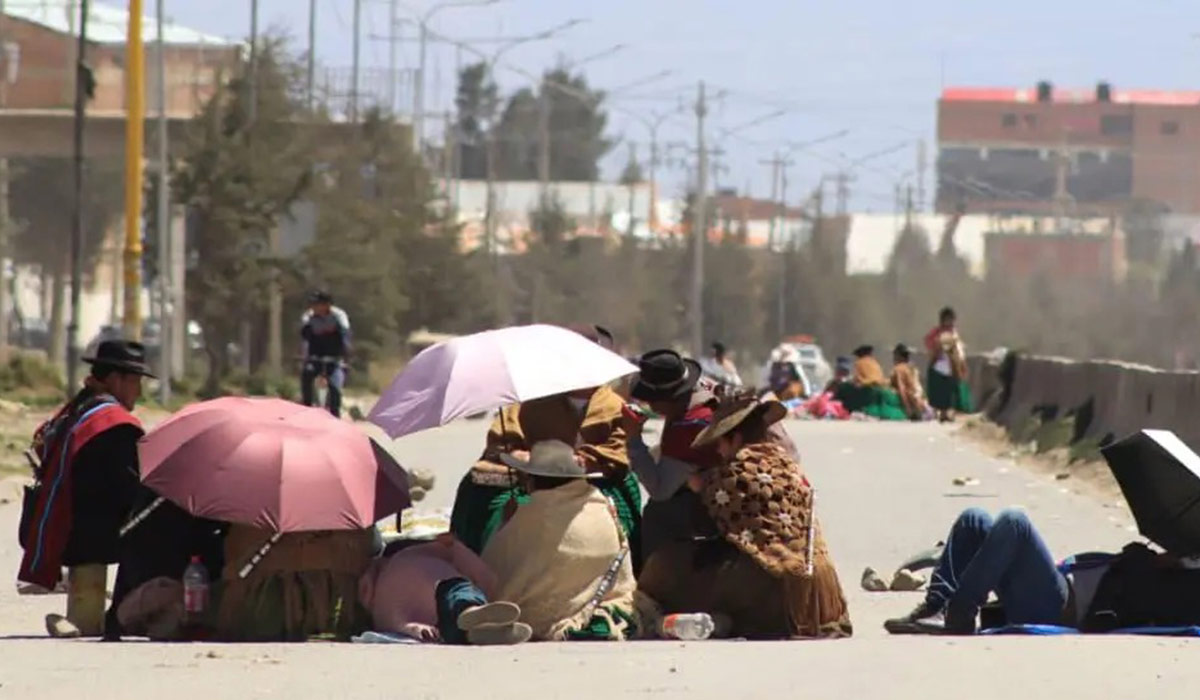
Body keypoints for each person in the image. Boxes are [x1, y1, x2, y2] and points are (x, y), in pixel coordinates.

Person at [639, 399, 853, 640]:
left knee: (669, 563)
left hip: (783, 589)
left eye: (720, 443)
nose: (719, 451)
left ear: (736, 438)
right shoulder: (786, 463)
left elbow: (704, 518)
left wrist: (697, 483)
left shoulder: (734, 472)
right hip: (821, 588)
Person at [449, 326, 640, 562]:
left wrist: (580, 462)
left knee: (625, 499)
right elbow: (503, 441)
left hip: (594, 481)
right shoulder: (533, 400)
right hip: (533, 479)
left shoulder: (614, 406)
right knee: (476, 491)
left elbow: (616, 451)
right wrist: (519, 456)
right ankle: (478, 561)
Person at [18, 340, 153, 638]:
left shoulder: (77, 410)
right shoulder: (114, 423)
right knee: (156, 526)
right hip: (86, 536)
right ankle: (126, 613)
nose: (139, 392)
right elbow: (130, 489)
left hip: (61, 528)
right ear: (115, 379)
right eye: (135, 382)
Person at [482, 440, 642, 641]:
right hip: (599, 601)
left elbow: (493, 566)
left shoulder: (533, 513)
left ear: (534, 479)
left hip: (533, 615)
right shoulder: (601, 503)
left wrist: (507, 519)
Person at [359, 533, 530, 645]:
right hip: (440, 585)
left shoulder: (378, 583)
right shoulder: (432, 552)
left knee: (448, 628)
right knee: (458, 590)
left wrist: (410, 628)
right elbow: (486, 577)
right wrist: (455, 545)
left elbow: (383, 617)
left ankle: (473, 633)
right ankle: (471, 611)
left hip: (417, 620)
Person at [300, 290, 352, 417]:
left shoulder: (339, 316)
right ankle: (306, 408)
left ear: (327, 305)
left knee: (335, 387)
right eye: (312, 304)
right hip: (315, 357)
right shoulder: (308, 316)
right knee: (306, 376)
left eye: (317, 304)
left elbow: (345, 337)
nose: (313, 307)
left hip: (334, 359)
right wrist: (304, 356)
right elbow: (305, 338)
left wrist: (347, 356)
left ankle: (335, 415)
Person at [924, 306, 973, 422]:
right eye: (947, 320)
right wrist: (938, 346)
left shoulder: (954, 334)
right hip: (940, 366)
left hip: (952, 366)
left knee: (951, 392)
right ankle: (942, 413)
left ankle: (948, 413)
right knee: (941, 392)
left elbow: (959, 351)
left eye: (951, 320)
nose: (950, 322)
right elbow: (929, 344)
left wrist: (961, 364)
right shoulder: (937, 333)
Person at [833, 346, 907, 421]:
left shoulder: (860, 363)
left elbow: (859, 379)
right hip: (881, 387)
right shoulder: (875, 363)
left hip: (869, 390)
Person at [891, 343, 931, 421]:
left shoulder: (898, 369)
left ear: (898, 356)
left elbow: (902, 388)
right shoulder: (912, 368)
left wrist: (907, 408)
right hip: (921, 400)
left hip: (912, 401)